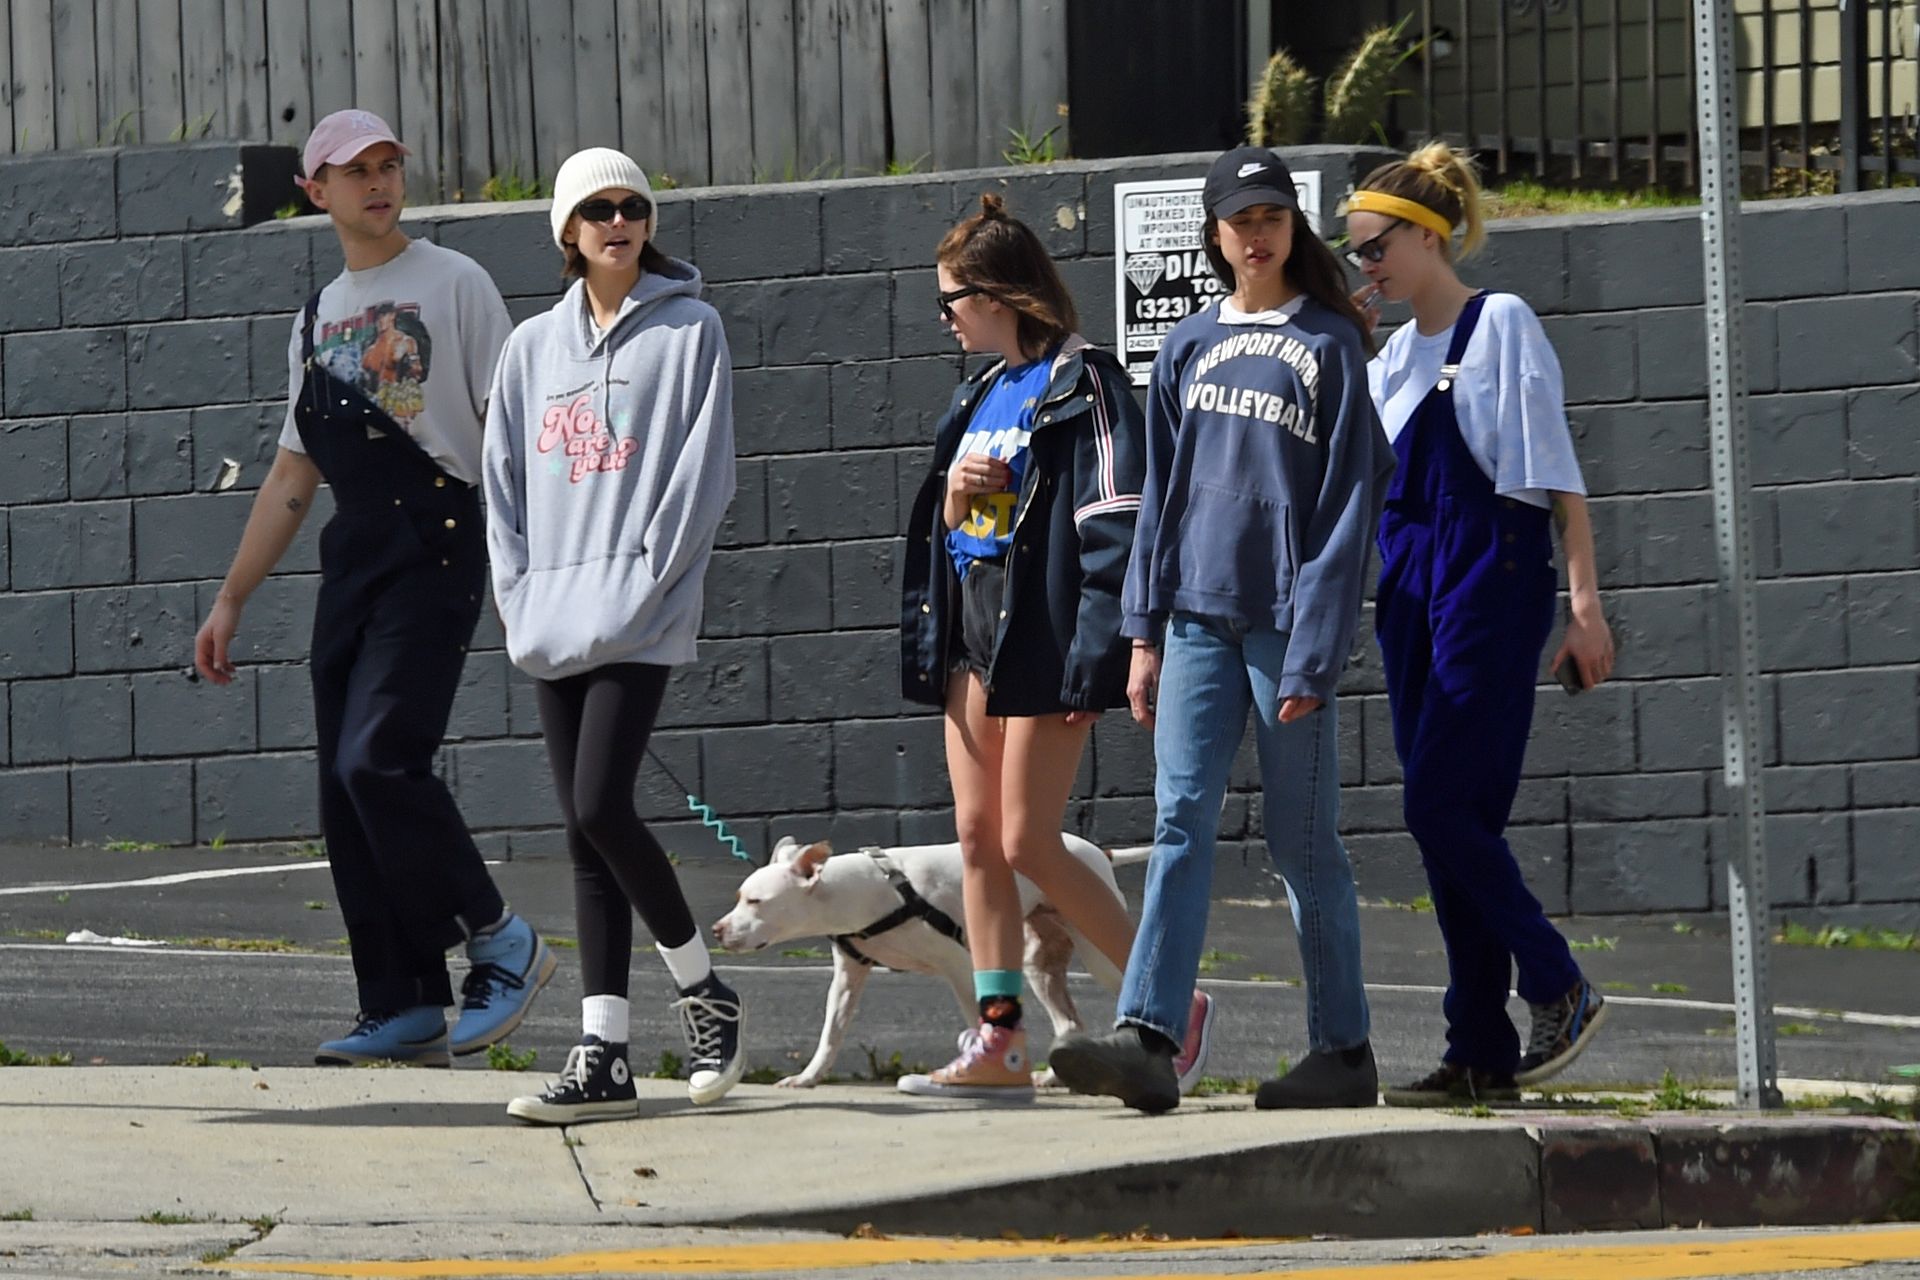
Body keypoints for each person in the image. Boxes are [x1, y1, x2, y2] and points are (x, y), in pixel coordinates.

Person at [192, 109, 551, 1066]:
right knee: (342, 790)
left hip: (438, 543)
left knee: (378, 761)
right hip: (354, 557)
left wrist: (531, 561)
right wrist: (231, 599)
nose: (379, 182)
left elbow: (508, 428)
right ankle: (399, 999)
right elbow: (290, 477)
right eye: (356, 171)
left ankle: (501, 936)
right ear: (317, 190)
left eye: (390, 165)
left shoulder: (455, 281)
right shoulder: (312, 319)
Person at [1048, 147, 1392, 1114]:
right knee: (1178, 822)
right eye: (1240, 219)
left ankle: (1344, 1052)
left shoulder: (1330, 344)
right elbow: (1159, 496)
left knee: (1303, 845)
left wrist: (1318, 648)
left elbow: (1349, 506)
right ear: (1215, 235)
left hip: (1286, 629)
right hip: (1193, 622)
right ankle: (1150, 1036)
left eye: (1272, 216)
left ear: (1292, 228)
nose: (1256, 233)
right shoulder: (1189, 346)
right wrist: (1144, 633)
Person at [896, 193, 1216, 1100]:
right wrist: (954, 495)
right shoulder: (978, 393)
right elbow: (949, 526)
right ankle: (998, 1038)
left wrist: (1100, 651)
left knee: (1032, 838)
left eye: (952, 298)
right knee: (975, 839)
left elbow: (1116, 523)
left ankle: (1171, 1004)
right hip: (972, 629)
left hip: (1043, 634)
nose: (947, 317)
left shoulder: (1090, 382)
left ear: (998, 294)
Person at [1346, 143, 1615, 1105]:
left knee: (1438, 807)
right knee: (1454, 823)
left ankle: (1557, 981)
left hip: (1489, 585)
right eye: (1354, 256)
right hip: (1413, 596)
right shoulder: (1387, 360)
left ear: (1427, 235)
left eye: (1375, 248)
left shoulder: (1498, 324)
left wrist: (1583, 606)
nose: (1365, 267)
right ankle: (1478, 1049)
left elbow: (1557, 480)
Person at [485, 148, 742, 1126]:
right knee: (584, 828)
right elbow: (501, 482)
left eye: (634, 205)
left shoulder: (692, 332)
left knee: (600, 801)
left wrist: (643, 584)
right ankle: (605, 1050)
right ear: (567, 230)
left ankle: (703, 988)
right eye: (598, 208)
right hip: (550, 615)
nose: (619, 220)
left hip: (639, 610)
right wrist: (518, 595)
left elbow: (700, 476)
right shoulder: (528, 349)